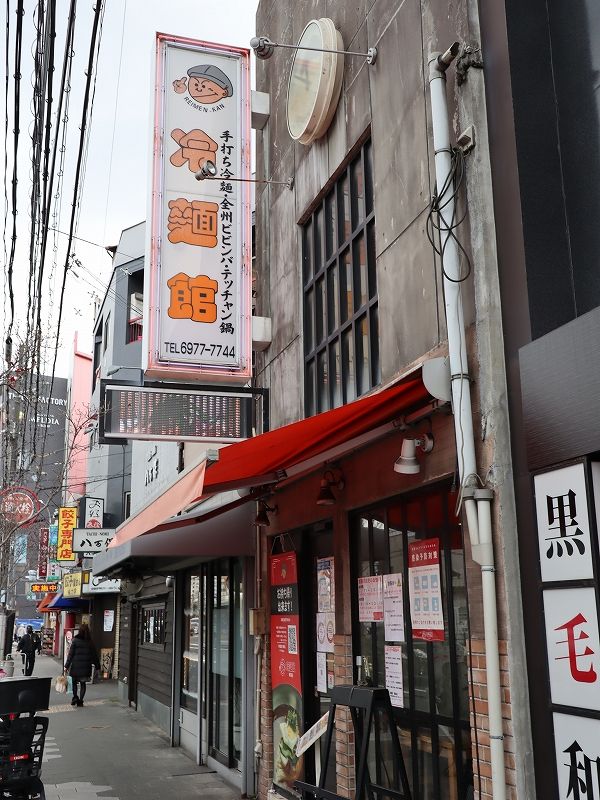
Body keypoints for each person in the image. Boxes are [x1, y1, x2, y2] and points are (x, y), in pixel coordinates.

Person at [64, 624, 100, 707]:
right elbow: (94, 655)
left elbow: (70, 654)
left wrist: (66, 666)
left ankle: (75, 697)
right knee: (83, 684)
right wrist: (98, 667)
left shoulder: (75, 640)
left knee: (74, 683)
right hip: (86, 667)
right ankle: (80, 700)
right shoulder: (90, 642)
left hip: (76, 666)